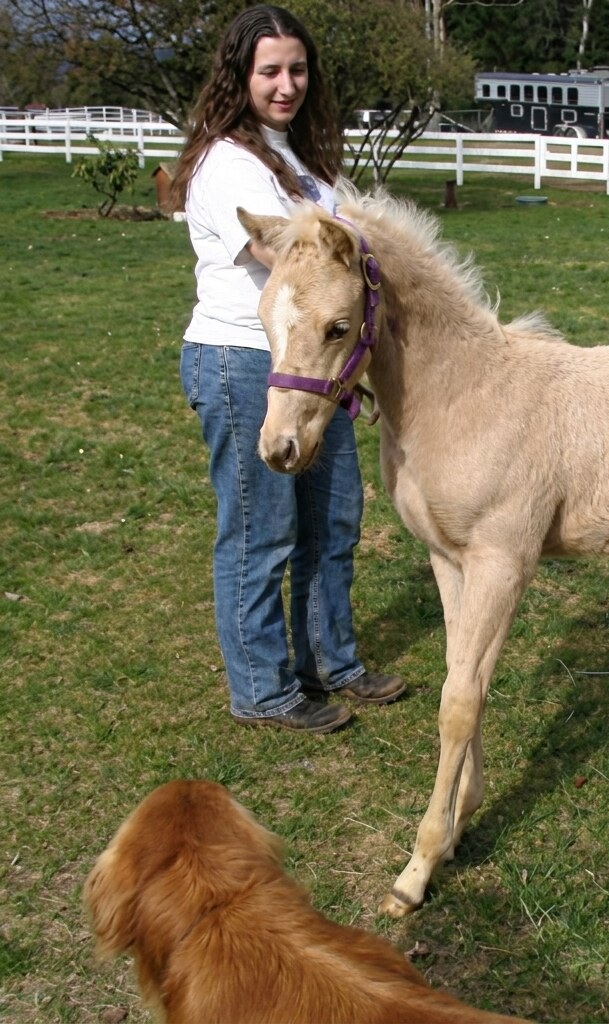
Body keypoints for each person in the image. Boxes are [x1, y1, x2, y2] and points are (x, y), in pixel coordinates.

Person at [171, 5, 405, 733]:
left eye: (296, 69)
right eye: (269, 69)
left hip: (315, 364)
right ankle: (265, 692)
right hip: (246, 362)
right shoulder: (225, 162)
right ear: (240, 75)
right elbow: (299, 264)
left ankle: (331, 661)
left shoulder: (296, 158)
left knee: (333, 521)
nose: (285, 84)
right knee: (260, 533)